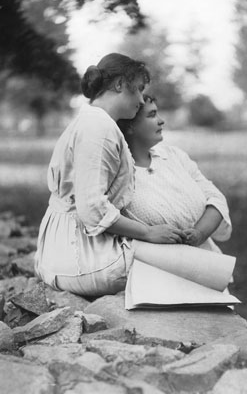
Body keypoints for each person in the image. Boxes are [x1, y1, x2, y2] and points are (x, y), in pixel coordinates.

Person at [35, 53, 187, 297]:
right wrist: (148, 232)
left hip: (65, 249)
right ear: (119, 85)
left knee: (187, 257)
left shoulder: (92, 121)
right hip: (78, 256)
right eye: (137, 89)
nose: (140, 99)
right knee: (190, 265)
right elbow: (92, 209)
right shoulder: (98, 128)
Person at [117, 95, 232, 254]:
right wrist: (147, 233)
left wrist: (199, 234)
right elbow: (103, 218)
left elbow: (216, 198)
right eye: (151, 115)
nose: (161, 120)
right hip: (153, 269)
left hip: (206, 265)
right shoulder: (117, 173)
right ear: (129, 125)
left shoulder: (174, 155)